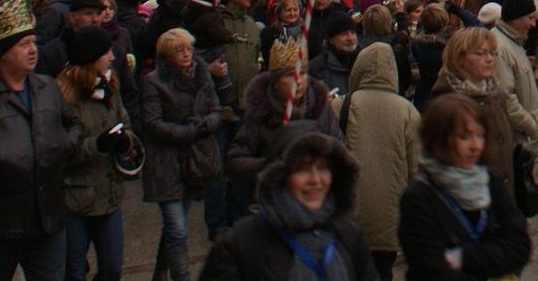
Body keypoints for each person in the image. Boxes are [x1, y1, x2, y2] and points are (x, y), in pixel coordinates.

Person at [0, 0, 84, 281]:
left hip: (48, 220)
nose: (33, 50)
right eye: (23, 44)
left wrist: (64, 146)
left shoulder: (46, 87)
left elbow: (74, 122)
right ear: (4, 52)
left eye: (33, 42)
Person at [201, 129, 377, 281]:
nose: (315, 180)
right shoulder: (240, 246)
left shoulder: (349, 235)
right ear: (280, 176)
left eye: (323, 167)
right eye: (302, 169)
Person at [398, 93, 531, 281]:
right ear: (440, 140)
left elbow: (520, 247)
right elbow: (431, 268)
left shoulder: (491, 180)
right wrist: (494, 256)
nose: (476, 145)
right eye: (464, 137)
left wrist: (465, 257)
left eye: (480, 135)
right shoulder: (419, 196)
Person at [59, 24, 143, 281]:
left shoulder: (110, 87)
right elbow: (58, 150)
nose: (112, 57)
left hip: (109, 196)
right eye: (106, 52)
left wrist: (126, 141)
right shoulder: (62, 97)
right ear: (91, 57)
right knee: (73, 272)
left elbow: (125, 123)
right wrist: (97, 145)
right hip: (74, 199)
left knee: (111, 269)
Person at [142, 26, 223, 281]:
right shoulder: (154, 82)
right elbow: (153, 124)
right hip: (165, 163)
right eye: (180, 50)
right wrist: (190, 131)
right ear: (167, 55)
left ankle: (159, 272)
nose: (187, 54)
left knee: (175, 226)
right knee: (178, 229)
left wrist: (206, 124)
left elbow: (215, 109)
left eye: (189, 48)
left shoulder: (201, 75)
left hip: (195, 161)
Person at [340, 39, 420, 279]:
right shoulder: (408, 111)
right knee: (382, 271)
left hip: (349, 210)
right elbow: (416, 169)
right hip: (390, 213)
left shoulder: (342, 104)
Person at [229, 38, 342, 193]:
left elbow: (340, 148)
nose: (298, 81)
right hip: (276, 198)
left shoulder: (321, 108)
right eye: (290, 75)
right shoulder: (261, 113)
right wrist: (272, 164)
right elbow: (236, 160)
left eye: (302, 73)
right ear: (276, 83)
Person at [432, 25, 517, 188]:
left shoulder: (495, 94)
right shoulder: (446, 101)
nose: (489, 59)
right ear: (460, 58)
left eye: (492, 53)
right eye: (480, 53)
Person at [492, 0, 538, 164]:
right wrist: (532, 126)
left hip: (523, 140)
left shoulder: (515, 41)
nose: (533, 24)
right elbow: (505, 97)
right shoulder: (500, 46)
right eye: (530, 18)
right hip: (516, 142)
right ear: (515, 18)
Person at [308, 10, 362, 99]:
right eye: (344, 34)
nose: (350, 38)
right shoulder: (317, 68)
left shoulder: (366, 62)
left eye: (352, 33)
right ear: (331, 40)